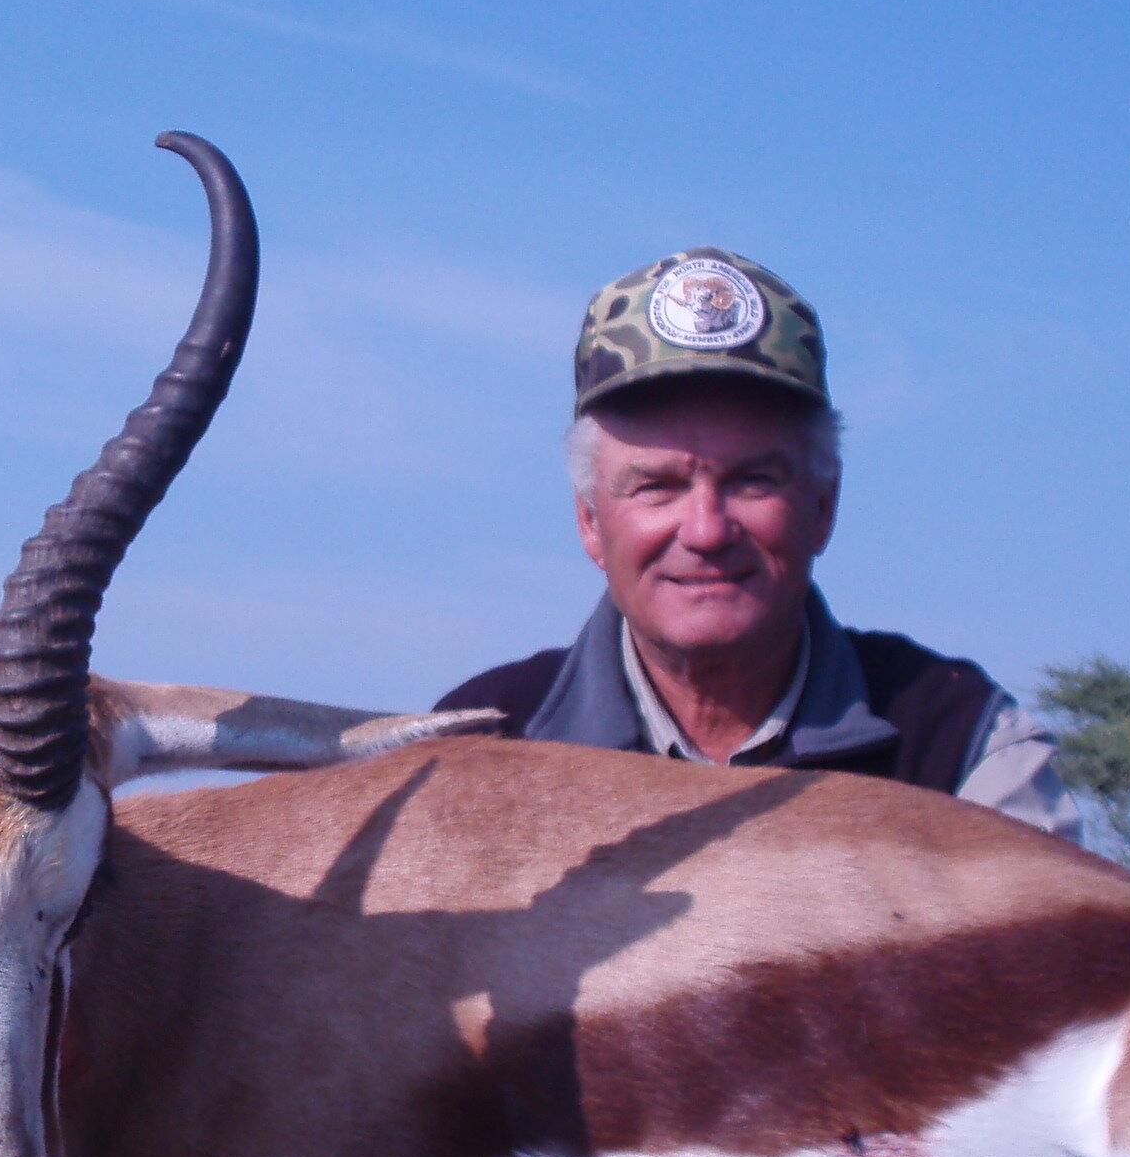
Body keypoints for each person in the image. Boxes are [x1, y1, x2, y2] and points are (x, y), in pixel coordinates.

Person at [439, 246, 1079, 838]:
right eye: (657, 486)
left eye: (752, 481)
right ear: (589, 521)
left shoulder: (961, 747)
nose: (707, 530)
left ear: (824, 506)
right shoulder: (475, 752)